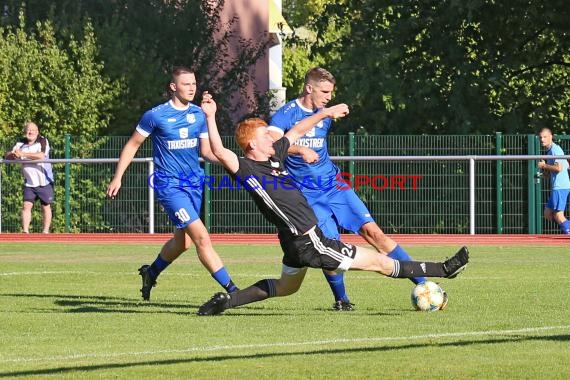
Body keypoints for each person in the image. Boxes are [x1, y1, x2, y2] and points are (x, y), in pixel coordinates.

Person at [196, 94, 469, 316]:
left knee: (285, 287)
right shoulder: (247, 168)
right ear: (253, 143)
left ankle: (226, 302)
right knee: (380, 262)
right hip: (309, 241)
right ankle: (444, 269)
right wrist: (210, 116)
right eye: (267, 135)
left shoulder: (275, 157)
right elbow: (218, 151)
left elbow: (298, 130)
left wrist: (325, 113)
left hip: (293, 242)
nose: (273, 137)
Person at [267, 67, 427, 311]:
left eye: (331, 92)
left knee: (375, 234)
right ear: (309, 88)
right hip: (307, 195)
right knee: (331, 246)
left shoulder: (325, 112)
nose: (329, 97)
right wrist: (299, 149)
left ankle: (425, 286)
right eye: (325, 91)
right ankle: (341, 300)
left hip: (335, 185)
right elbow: (271, 143)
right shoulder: (287, 113)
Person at [106, 66, 239, 301]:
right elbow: (132, 145)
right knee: (201, 237)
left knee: (183, 242)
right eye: (186, 84)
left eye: (194, 84)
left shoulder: (199, 114)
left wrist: (232, 164)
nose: (192, 88)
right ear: (173, 86)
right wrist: (118, 177)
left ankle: (151, 272)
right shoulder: (155, 115)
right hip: (169, 186)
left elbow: (207, 152)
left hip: (194, 184)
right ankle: (234, 291)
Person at [4, 121, 54, 233]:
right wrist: (12, 155)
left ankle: (45, 232)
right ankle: (25, 232)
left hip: (43, 181)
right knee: (26, 205)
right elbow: (7, 155)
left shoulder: (42, 140)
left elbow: (41, 156)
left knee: (45, 206)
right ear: (25, 131)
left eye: (32, 130)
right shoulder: (20, 143)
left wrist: (23, 155)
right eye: (28, 130)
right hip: (29, 182)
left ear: (37, 132)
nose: (30, 132)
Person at [537, 127, 570, 234]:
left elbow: (559, 168)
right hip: (557, 187)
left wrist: (544, 165)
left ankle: (568, 231)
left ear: (551, 137)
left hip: (560, 187)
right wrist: (545, 173)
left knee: (558, 215)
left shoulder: (555, 149)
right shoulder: (550, 151)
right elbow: (565, 166)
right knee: (547, 213)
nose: (542, 139)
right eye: (540, 137)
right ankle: (565, 227)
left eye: (545, 137)